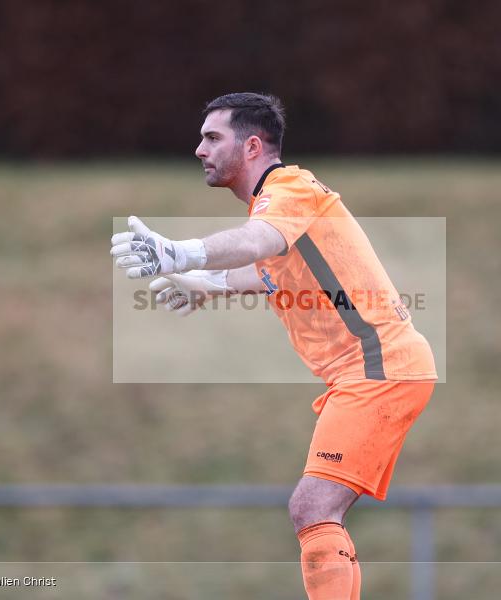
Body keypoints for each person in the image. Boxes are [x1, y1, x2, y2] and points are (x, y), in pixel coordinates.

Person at [111, 92, 437, 600]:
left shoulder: (287, 187)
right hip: (375, 371)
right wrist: (208, 285)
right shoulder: (284, 203)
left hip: (377, 369)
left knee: (312, 508)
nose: (199, 149)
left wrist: (180, 253)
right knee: (315, 511)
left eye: (212, 137)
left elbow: (260, 241)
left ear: (254, 146)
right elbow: (276, 266)